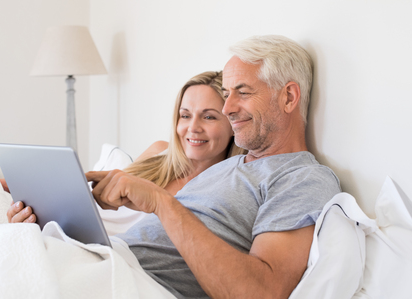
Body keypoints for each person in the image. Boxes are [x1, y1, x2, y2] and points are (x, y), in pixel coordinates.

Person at [86, 35, 341, 299]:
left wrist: (161, 203)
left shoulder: (302, 178)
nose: (228, 108)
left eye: (242, 92)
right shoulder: (228, 166)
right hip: (103, 262)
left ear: (288, 97)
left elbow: (262, 292)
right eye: (227, 94)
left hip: (128, 282)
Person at [6, 71, 247, 223]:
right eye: (185, 116)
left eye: (209, 117)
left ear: (231, 123)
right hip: (79, 239)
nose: (192, 128)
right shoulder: (159, 153)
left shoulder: (228, 188)